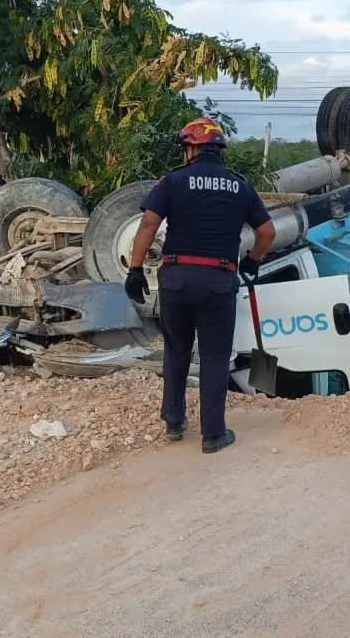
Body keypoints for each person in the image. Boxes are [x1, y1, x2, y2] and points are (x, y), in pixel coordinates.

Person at [123, 116, 276, 454]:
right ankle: (213, 434)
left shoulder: (173, 182)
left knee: (176, 350)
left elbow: (149, 222)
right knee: (215, 356)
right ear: (217, 150)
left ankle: (174, 422)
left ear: (192, 149)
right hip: (218, 280)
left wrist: (135, 270)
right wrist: (252, 260)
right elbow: (267, 233)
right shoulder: (240, 185)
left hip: (176, 279)